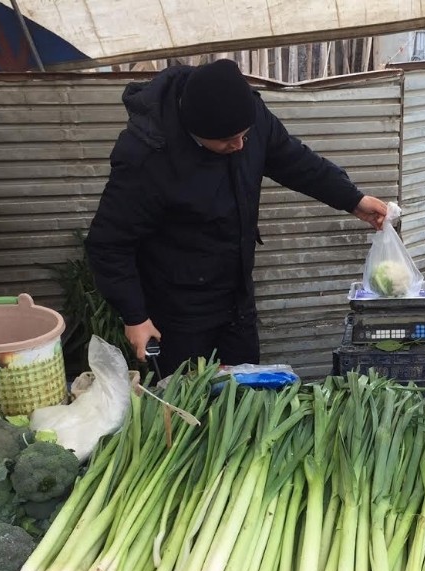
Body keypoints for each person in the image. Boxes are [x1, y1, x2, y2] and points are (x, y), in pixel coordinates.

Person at [84, 59, 388, 376]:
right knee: (186, 403)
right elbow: (108, 244)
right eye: (229, 141)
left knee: (245, 393)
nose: (240, 145)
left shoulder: (249, 117)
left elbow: (294, 161)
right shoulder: (147, 158)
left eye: (245, 136)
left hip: (236, 299)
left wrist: (353, 200)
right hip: (178, 310)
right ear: (196, 131)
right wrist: (135, 316)